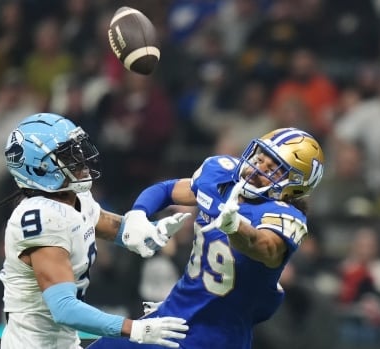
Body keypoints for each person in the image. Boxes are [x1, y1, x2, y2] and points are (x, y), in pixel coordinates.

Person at [88, 127, 325, 349]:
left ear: (295, 185)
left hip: (217, 336)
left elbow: (264, 247)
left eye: (273, 169)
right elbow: (168, 190)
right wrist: (139, 213)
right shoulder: (224, 175)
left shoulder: (285, 216)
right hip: (174, 313)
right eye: (260, 158)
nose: (257, 169)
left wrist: (235, 227)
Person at [0, 113, 191, 349]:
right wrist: (135, 328)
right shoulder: (41, 216)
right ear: (39, 168)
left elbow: (115, 229)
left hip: (64, 342)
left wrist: (148, 231)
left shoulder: (74, 197)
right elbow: (64, 308)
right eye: (68, 154)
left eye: (77, 149)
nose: (80, 159)